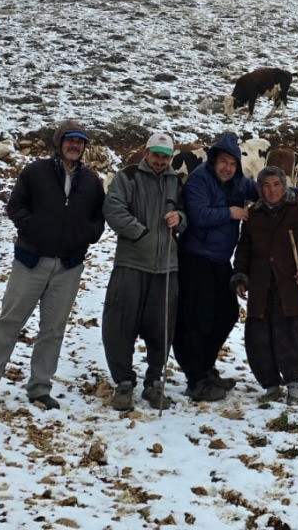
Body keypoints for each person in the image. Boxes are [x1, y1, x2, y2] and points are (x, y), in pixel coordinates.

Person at [176, 132, 298, 403]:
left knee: (226, 315)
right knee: (198, 319)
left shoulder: (238, 183)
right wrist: (231, 212)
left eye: (233, 163)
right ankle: (196, 380)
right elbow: (198, 214)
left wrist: (296, 192)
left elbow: (264, 189)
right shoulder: (198, 180)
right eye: (223, 162)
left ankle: (205, 368)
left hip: (219, 260)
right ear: (214, 160)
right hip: (195, 258)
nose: (228, 168)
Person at [0, 120, 106, 411]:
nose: (75, 145)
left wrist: (87, 236)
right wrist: (34, 230)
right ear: (59, 143)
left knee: (53, 330)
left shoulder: (92, 181)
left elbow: (98, 219)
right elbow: (15, 206)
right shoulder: (35, 172)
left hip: (68, 266)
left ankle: (40, 388)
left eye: (80, 142)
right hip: (31, 260)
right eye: (70, 140)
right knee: (9, 322)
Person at [102, 131, 187, 411]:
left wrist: (181, 219)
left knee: (162, 327)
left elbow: (187, 214)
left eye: (166, 157)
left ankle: (154, 382)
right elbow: (113, 209)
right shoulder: (127, 177)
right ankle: (124, 382)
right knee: (120, 325)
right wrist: (140, 234)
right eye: (156, 155)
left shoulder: (177, 181)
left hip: (167, 267)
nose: (160, 161)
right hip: (131, 264)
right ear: (146, 152)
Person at [231, 166, 298, 406]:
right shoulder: (253, 214)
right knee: (258, 337)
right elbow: (244, 249)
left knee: (292, 335)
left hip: (293, 283)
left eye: (276, 185)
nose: (271, 190)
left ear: (284, 186)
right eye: (266, 185)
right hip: (262, 284)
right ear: (260, 189)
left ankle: (294, 385)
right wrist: (241, 276)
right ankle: (270, 384)